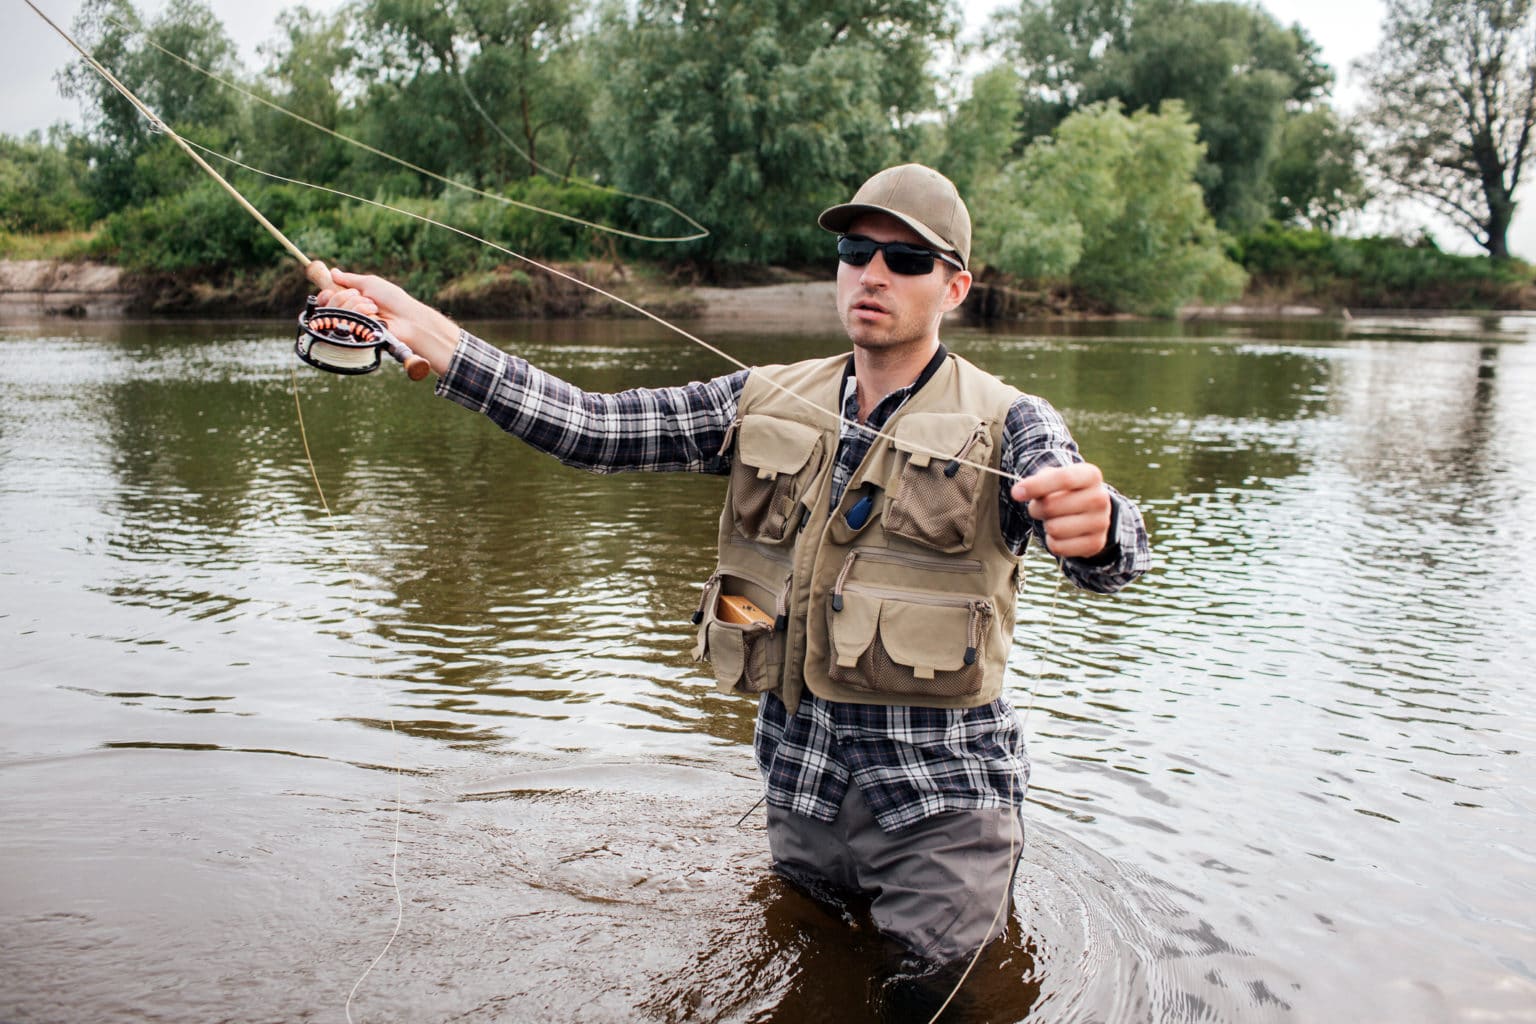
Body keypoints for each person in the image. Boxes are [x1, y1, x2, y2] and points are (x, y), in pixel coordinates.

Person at [317, 163, 1150, 979]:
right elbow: (592, 430)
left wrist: (1101, 527)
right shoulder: (763, 395)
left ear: (955, 288)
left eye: (905, 259)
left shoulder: (1014, 421)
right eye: (855, 251)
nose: (872, 273)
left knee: (935, 995)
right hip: (802, 795)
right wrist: (429, 334)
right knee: (813, 974)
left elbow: (1112, 553)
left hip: (941, 812)